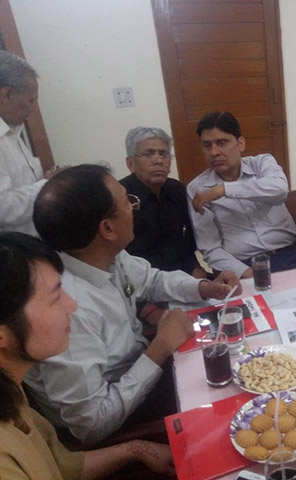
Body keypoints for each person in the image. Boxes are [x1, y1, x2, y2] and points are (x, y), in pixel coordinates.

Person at [24, 164, 241, 445]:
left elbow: (151, 280)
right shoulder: (67, 308)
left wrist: (203, 287)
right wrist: (160, 348)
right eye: (128, 202)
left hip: (140, 367)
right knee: (229, 395)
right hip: (120, 417)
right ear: (107, 228)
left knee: (231, 360)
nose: (134, 209)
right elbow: (91, 424)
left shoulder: (104, 255)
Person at [0, 232, 174, 479]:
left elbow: (64, 467)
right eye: (55, 298)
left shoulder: (12, 394)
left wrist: (136, 450)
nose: (72, 305)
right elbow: (89, 426)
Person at [188, 111, 296, 278]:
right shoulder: (198, 189)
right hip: (241, 265)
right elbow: (210, 248)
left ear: (240, 144)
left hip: (287, 256)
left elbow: (279, 189)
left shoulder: (262, 163)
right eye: (207, 145)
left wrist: (223, 190)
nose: (214, 152)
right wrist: (246, 273)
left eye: (222, 143)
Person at [120, 126, 209, 278]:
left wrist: (195, 267)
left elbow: (188, 239)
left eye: (164, 154)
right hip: (142, 281)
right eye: (148, 154)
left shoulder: (177, 190)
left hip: (184, 274)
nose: (158, 160)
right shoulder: (120, 197)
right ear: (131, 164)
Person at [0, 51, 59, 236]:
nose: (33, 108)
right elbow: (3, 208)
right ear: (6, 94)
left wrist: (46, 180)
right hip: (14, 250)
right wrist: (49, 185)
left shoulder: (11, 131)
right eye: (31, 100)